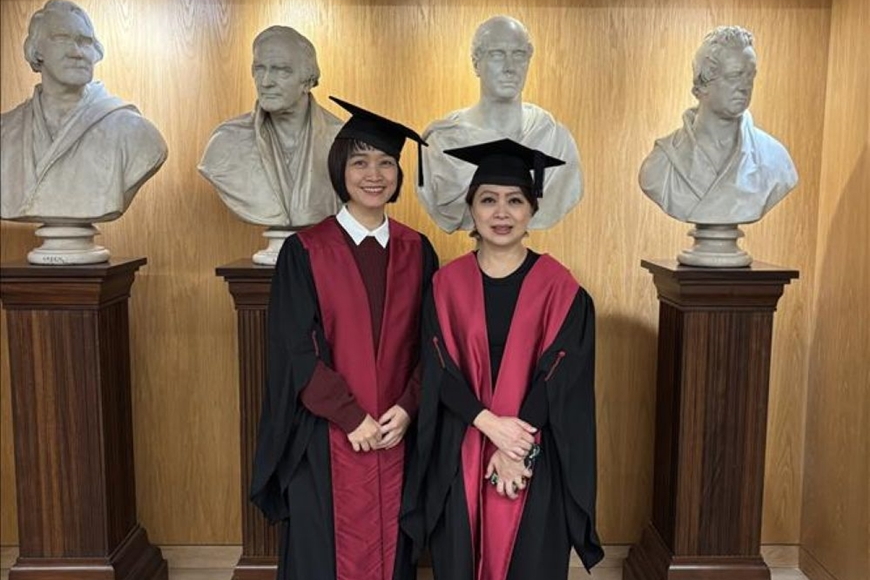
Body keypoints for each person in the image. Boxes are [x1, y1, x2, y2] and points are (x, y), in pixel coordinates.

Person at [250, 96, 438, 580]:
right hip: (325, 435)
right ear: (340, 169)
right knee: (324, 554)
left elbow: (433, 344)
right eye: (360, 162)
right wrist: (350, 416)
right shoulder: (305, 251)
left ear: (399, 173)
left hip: (396, 431)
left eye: (385, 162)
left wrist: (409, 406)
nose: (373, 174)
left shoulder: (418, 250)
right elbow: (295, 347)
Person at [401, 139, 603, 579]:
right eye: (488, 200)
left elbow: (562, 375)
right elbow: (438, 368)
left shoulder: (560, 288)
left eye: (515, 201)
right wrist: (490, 425)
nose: (501, 213)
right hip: (463, 446)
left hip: (535, 451)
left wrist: (515, 447)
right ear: (471, 209)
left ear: (532, 210)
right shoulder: (445, 285)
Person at [1, 0, 167, 223]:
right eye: (61, 38)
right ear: (36, 51)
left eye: (85, 41)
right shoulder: (6, 130)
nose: (77, 52)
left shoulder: (134, 132)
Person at [416, 15, 582, 233]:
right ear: (476, 63)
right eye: (497, 54)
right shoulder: (443, 142)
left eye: (519, 54)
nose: (509, 67)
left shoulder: (554, 140)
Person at [638, 25, 798, 225]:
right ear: (703, 84)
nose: (745, 86)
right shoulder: (661, 164)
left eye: (750, 76)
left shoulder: (774, 160)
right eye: (735, 75)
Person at [198, 25, 343, 227]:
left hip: (321, 242)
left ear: (308, 82)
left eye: (281, 71)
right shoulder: (225, 143)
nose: (265, 82)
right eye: (259, 69)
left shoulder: (343, 142)